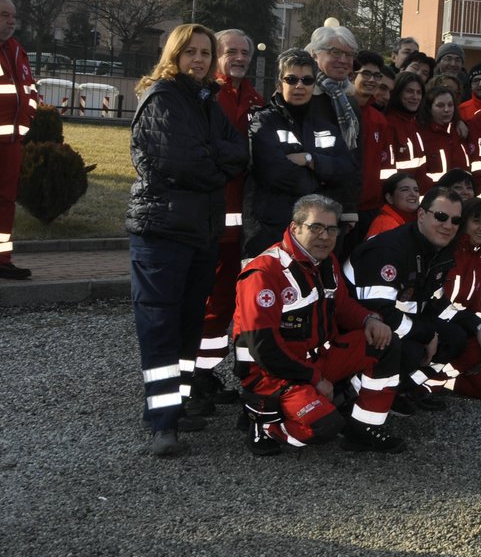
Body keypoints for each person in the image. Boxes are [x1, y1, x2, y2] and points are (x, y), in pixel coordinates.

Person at [127, 24, 249, 456]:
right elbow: (188, 164)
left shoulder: (203, 101)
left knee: (187, 328)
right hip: (162, 232)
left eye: (204, 52)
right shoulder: (163, 97)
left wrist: (213, 157)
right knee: (161, 327)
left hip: (199, 232)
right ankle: (163, 423)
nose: (198, 59)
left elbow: (238, 151)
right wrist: (216, 162)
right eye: (191, 52)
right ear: (174, 54)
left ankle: (172, 410)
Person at [232, 194, 406, 455]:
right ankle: (264, 421)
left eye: (331, 229)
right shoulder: (264, 273)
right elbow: (263, 349)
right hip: (274, 373)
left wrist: (368, 319)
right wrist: (315, 378)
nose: (325, 236)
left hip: (319, 359)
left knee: (386, 342)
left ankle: (362, 428)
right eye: (316, 227)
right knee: (324, 428)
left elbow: (344, 306)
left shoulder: (326, 262)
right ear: (295, 228)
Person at [345, 187, 477, 414]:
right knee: (412, 349)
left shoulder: (439, 249)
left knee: (456, 338)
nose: (448, 225)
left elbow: (434, 300)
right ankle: (352, 398)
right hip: (359, 325)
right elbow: (378, 310)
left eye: (455, 220)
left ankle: (402, 388)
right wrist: (426, 334)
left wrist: (478, 324)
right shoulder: (390, 250)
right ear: (422, 215)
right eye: (441, 216)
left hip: (399, 320)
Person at [192, 27, 263, 398]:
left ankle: (208, 376)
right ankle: (195, 380)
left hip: (243, 226)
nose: (238, 57)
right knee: (207, 304)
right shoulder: (204, 95)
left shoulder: (254, 97)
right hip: (209, 221)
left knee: (232, 306)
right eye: (230, 51)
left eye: (244, 52)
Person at [243, 50, 355, 258]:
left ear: (314, 86)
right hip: (270, 231)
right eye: (291, 79)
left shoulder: (327, 126)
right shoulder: (263, 121)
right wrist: (320, 183)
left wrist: (309, 159)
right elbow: (273, 173)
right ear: (279, 84)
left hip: (316, 234)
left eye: (307, 80)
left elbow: (347, 171)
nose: (299, 86)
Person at [430, 198, 481, 398]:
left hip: (466, 330)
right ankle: (425, 385)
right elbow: (436, 303)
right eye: (476, 221)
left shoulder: (479, 257)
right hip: (440, 328)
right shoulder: (446, 252)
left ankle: (442, 380)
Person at [305, 24, 363, 235]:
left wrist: (349, 209)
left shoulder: (349, 102)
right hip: (307, 210)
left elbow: (354, 158)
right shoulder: (303, 96)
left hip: (339, 210)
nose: (344, 60)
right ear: (314, 55)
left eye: (349, 54)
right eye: (335, 52)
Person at [0, 0, 37, 280]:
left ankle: (2, 259)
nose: (11, 21)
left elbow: (30, 91)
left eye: (13, 16)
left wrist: (26, 124)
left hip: (11, 144)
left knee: (6, 202)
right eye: (4, 15)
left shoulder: (16, 50)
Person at [348, 51, 395, 237]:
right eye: (366, 74)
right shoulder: (338, 110)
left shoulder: (379, 119)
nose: (371, 80)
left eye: (376, 76)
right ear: (352, 76)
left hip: (371, 208)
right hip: (344, 207)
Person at [417, 80, 472, 188]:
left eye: (450, 105)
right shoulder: (421, 135)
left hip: (464, 196)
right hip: (435, 197)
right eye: (440, 106)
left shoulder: (461, 130)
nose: (447, 110)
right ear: (429, 108)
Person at [385, 72, 428, 184]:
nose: (415, 97)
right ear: (397, 93)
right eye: (409, 91)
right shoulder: (388, 124)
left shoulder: (416, 123)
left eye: (419, 92)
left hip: (415, 196)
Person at [367, 172, 421, 238]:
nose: (413, 194)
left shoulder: (416, 221)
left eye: (416, 190)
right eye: (405, 190)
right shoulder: (385, 225)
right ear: (389, 198)